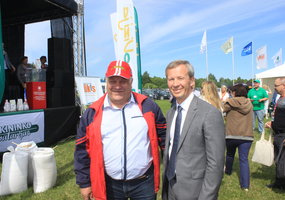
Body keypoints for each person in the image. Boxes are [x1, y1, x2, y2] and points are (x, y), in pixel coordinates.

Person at [74, 60, 166, 200]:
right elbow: (82, 150)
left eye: (122, 81)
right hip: (109, 184)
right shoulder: (92, 112)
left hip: (144, 183)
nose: (117, 86)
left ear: (131, 82)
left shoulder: (148, 106)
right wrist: (84, 183)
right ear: (106, 82)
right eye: (113, 81)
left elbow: (164, 140)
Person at [162, 60, 225, 200]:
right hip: (170, 186)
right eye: (171, 79)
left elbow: (216, 163)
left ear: (191, 81)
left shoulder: (210, 113)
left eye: (180, 78)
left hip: (195, 191)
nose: (175, 83)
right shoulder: (171, 113)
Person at [223, 84, 253, 191]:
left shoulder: (229, 102)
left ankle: (228, 171)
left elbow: (221, 110)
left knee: (230, 154)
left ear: (234, 92)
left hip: (231, 134)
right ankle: (245, 186)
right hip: (247, 135)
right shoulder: (249, 103)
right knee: (244, 160)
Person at [265, 77, 285, 189]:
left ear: (284, 86)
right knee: (278, 159)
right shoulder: (280, 98)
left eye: (276, 85)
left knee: (282, 161)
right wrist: (272, 123)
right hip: (277, 134)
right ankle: (279, 183)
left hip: (283, 135)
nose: (274, 87)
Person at [0, 44, 16, 111]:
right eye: (1, 45)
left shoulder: (4, 52)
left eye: (3, 45)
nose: (3, 46)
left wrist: (12, 66)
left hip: (6, 71)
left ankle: (4, 105)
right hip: (1, 71)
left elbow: (7, 61)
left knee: (6, 88)